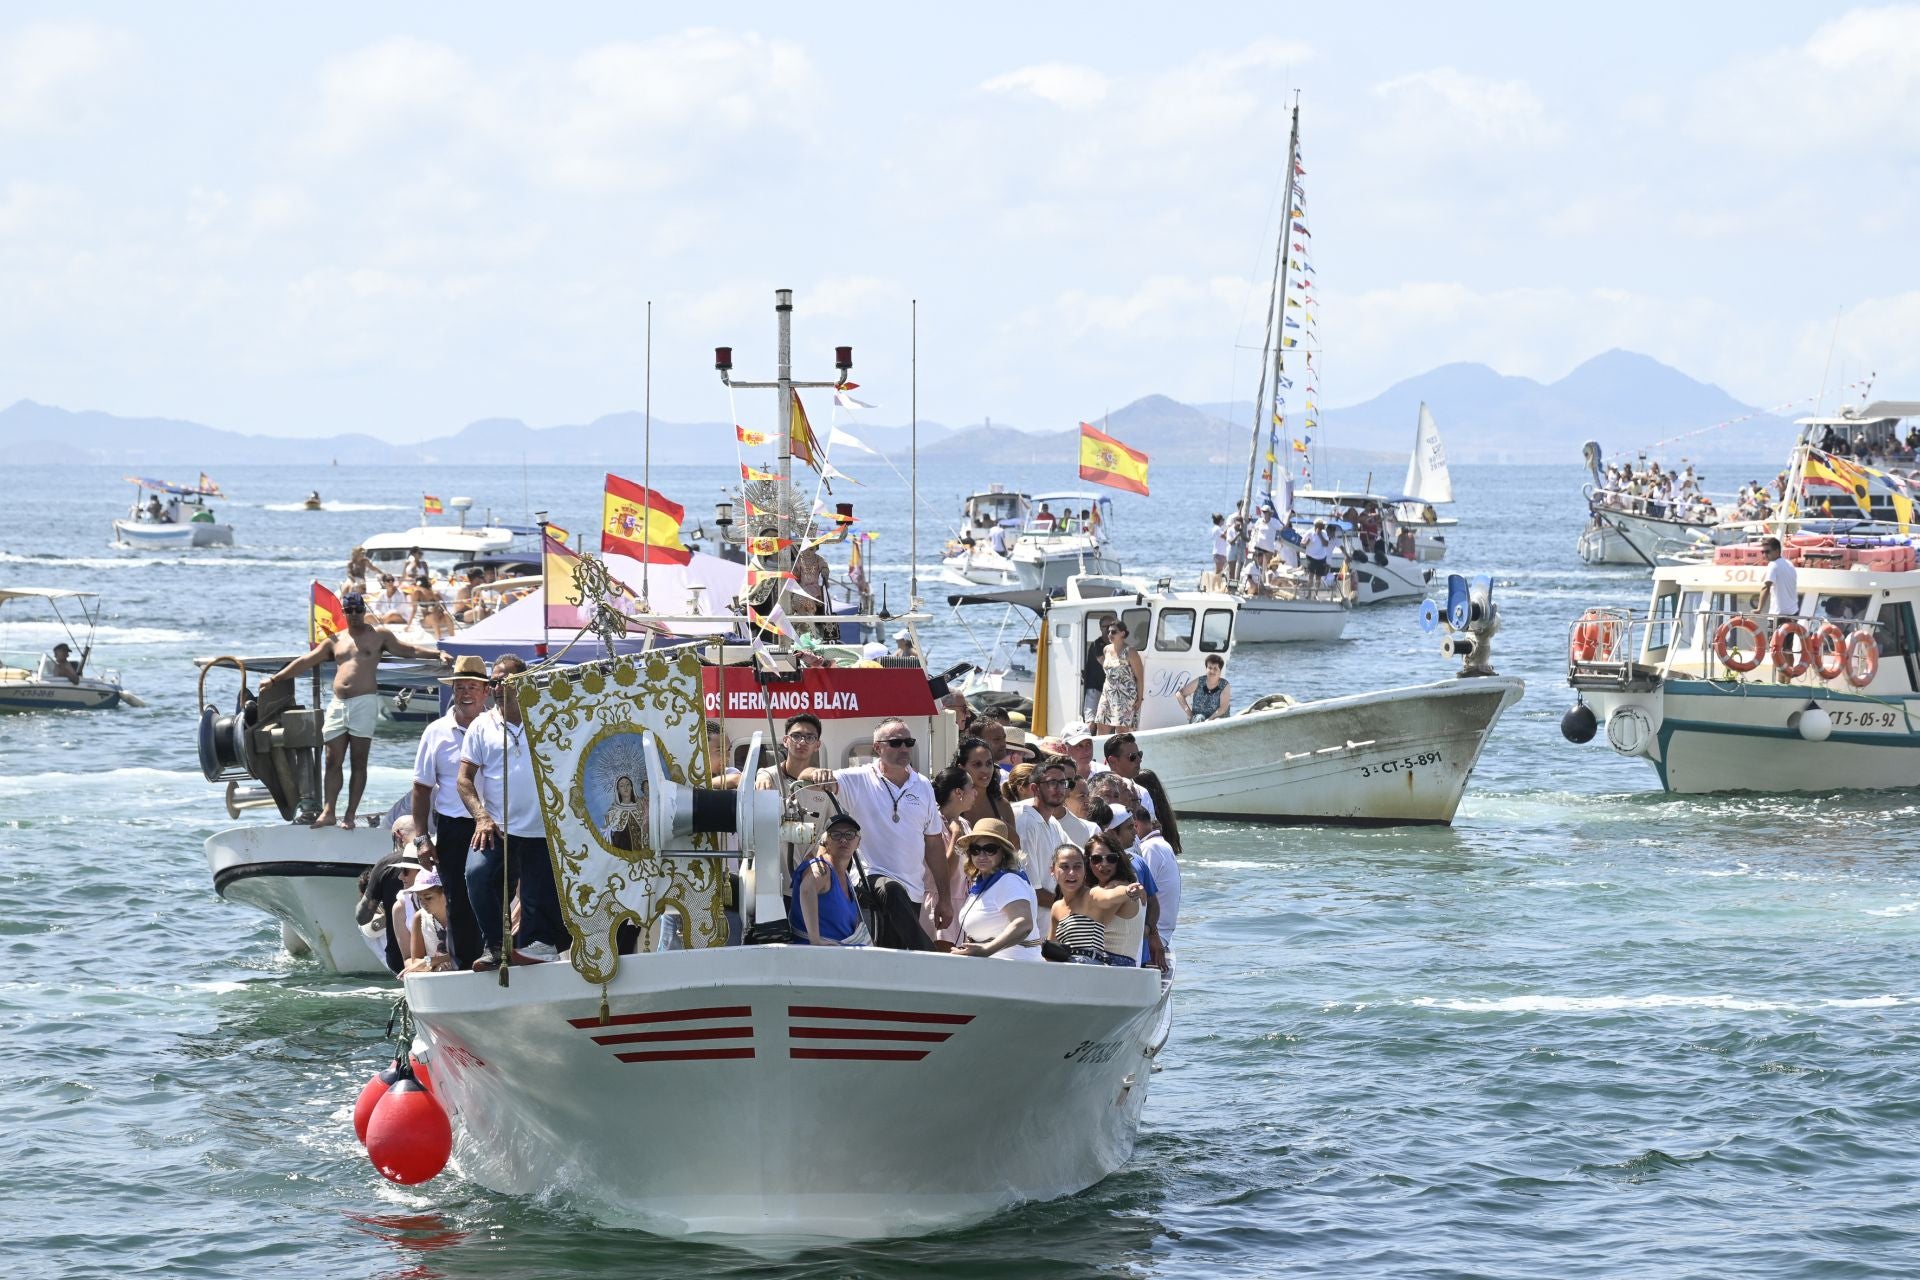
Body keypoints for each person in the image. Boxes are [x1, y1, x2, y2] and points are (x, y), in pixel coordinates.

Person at [263, 593, 449, 829]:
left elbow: (408, 650)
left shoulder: (379, 635)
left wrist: (437, 653)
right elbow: (306, 660)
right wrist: (275, 678)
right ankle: (329, 812)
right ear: (343, 612)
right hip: (339, 703)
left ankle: (350, 815)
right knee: (332, 760)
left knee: (358, 761)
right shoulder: (335, 640)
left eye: (357, 610)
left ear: (364, 610)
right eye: (348, 610)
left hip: (364, 702)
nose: (353, 615)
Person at [458, 654, 569, 968]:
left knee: (536, 898)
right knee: (476, 874)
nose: (497, 686)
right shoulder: (482, 725)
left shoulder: (549, 718)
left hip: (541, 827)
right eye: (493, 681)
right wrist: (481, 816)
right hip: (498, 827)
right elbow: (464, 780)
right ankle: (495, 945)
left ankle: (540, 946)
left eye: (504, 679)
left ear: (524, 680)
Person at [821, 718, 949, 947]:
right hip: (870, 879)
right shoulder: (858, 778)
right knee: (891, 890)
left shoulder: (923, 785)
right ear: (877, 747)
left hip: (913, 890)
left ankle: (920, 960)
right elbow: (816, 774)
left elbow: (935, 845)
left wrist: (945, 899)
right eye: (896, 742)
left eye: (908, 742)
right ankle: (930, 955)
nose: (904, 748)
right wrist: (817, 773)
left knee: (894, 954)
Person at [408, 653, 491, 969]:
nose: (466, 693)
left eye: (472, 686)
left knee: (494, 894)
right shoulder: (436, 732)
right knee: (457, 899)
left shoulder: (497, 728)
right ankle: (464, 966)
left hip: (495, 824)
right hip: (454, 826)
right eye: (460, 687)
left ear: (486, 692)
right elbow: (421, 788)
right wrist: (421, 839)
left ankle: (495, 958)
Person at [1011, 755, 1095, 913]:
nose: (1059, 788)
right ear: (1035, 788)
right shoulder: (1026, 823)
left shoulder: (1053, 823)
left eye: (1063, 783)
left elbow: (1081, 856)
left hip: (1053, 928)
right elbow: (1032, 890)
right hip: (1034, 932)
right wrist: (1074, 907)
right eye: (1052, 783)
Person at [951, 820, 1041, 960]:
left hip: (1014, 968)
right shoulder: (983, 884)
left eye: (990, 849)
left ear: (1003, 852)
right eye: (975, 849)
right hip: (994, 968)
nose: (982, 855)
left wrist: (987, 949)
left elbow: (1023, 924)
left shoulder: (1009, 880)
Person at [1047, 842, 1144, 964]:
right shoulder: (1056, 907)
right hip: (1070, 970)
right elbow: (1051, 951)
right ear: (1052, 870)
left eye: (1077, 866)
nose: (1071, 873)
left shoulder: (1092, 895)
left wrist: (1128, 891)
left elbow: (1109, 896)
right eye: (1065, 867)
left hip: (1100, 969)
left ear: (1084, 869)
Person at [791, 814, 871, 947]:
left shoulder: (847, 878)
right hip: (819, 957)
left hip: (844, 957)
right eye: (836, 835)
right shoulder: (822, 868)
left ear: (858, 842)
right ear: (826, 841)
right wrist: (815, 940)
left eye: (850, 834)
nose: (843, 840)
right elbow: (807, 889)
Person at [926, 765, 978, 943]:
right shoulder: (933, 823)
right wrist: (956, 837)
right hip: (939, 903)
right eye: (971, 787)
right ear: (958, 792)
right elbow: (944, 871)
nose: (975, 793)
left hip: (962, 904)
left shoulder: (964, 824)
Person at [1085, 830, 1148, 968]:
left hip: (1114, 969)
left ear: (1119, 860)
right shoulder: (1106, 887)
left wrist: (1128, 892)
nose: (1104, 864)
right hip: (1114, 967)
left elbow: (1089, 930)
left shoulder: (1118, 888)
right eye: (1096, 859)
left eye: (1111, 858)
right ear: (1088, 862)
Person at [1131, 802, 1180, 969]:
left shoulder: (1149, 848)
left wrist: (1153, 934)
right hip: (1162, 931)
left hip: (1157, 934)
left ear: (1136, 825)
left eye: (1130, 828)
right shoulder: (1161, 844)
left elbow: (1143, 896)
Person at [1093, 620, 1144, 733]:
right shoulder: (1106, 649)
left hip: (1125, 696)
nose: (1110, 634)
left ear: (1123, 633)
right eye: (1109, 632)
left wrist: (1140, 699)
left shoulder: (1131, 652)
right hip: (1107, 694)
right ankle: (1100, 750)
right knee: (1101, 725)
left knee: (1121, 731)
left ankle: (1120, 751)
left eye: (1114, 632)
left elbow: (1140, 678)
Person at [953, 736, 1014, 829]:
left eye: (989, 763)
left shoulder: (1002, 806)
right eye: (977, 764)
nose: (985, 770)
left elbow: (1015, 843)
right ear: (961, 768)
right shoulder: (950, 806)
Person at [401, 871, 456, 973]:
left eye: (428, 898)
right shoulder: (419, 918)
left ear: (445, 893)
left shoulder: (463, 915)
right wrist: (434, 964)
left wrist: (433, 961)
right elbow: (416, 960)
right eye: (420, 898)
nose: (423, 903)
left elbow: (468, 953)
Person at [1756, 536, 1800, 624]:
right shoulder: (1789, 564)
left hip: (1778, 616)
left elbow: (1766, 587)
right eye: (1762, 552)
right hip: (1793, 614)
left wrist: (1759, 609)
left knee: (1773, 638)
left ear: (1777, 551)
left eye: (1767, 551)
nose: (1764, 555)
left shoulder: (1773, 565)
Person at [1179, 654, 1231, 723]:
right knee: (1200, 717)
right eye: (1210, 668)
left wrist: (1209, 720)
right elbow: (1179, 694)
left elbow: (1223, 708)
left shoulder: (1225, 685)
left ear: (1220, 671)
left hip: (1217, 721)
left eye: (1215, 668)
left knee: (1217, 721)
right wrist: (1189, 713)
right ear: (1206, 669)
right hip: (1198, 721)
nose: (1212, 671)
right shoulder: (1200, 681)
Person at [1303, 520, 1334, 584]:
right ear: (1317, 526)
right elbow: (1302, 543)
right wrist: (1306, 542)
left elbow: (1326, 544)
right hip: (1311, 557)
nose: (1323, 527)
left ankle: (1316, 593)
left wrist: (1320, 535)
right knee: (1311, 575)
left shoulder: (1324, 533)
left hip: (1321, 558)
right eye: (1322, 526)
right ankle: (1309, 593)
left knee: (1318, 577)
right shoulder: (1309, 532)